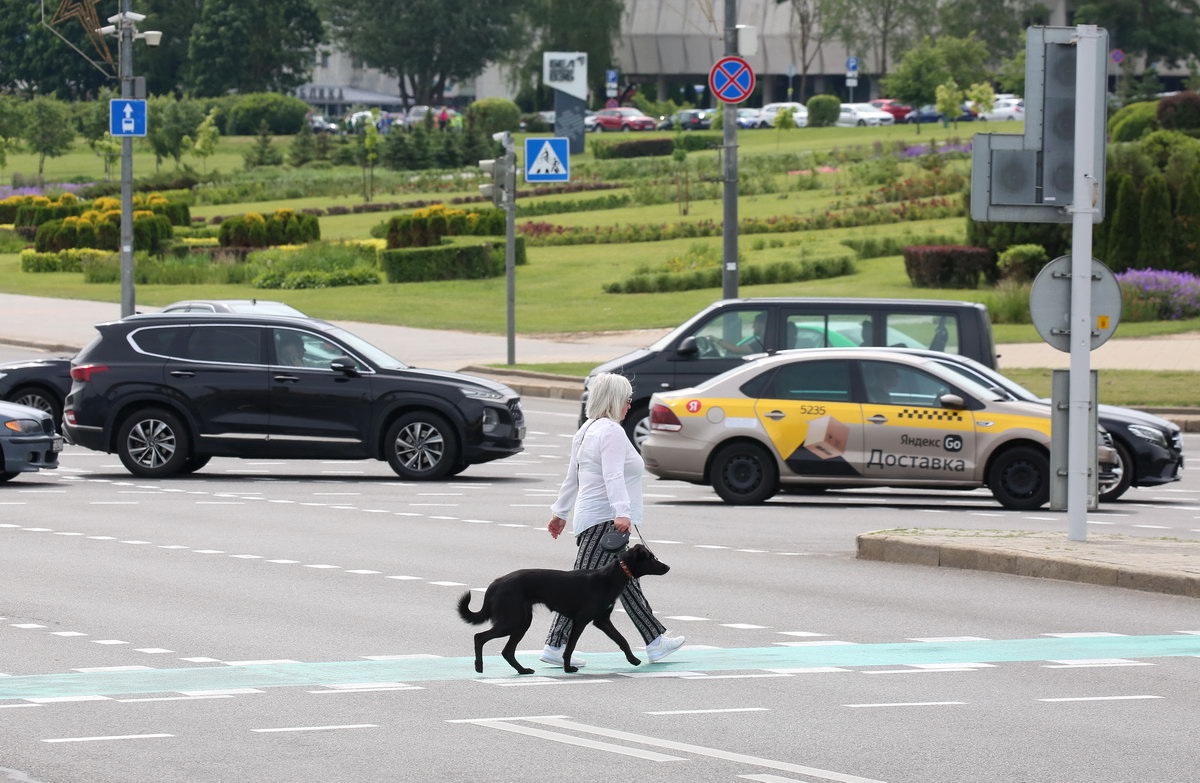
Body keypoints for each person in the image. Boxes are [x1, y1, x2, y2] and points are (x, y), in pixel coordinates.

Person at [541, 372, 685, 667]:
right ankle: (554, 646)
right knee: (579, 588)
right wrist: (622, 511)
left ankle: (655, 641)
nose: (630, 405)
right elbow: (612, 475)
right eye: (627, 399)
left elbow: (573, 476)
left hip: (592, 519)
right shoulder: (610, 432)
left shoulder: (586, 429)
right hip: (605, 521)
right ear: (614, 400)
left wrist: (560, 512)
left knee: (626, 583)